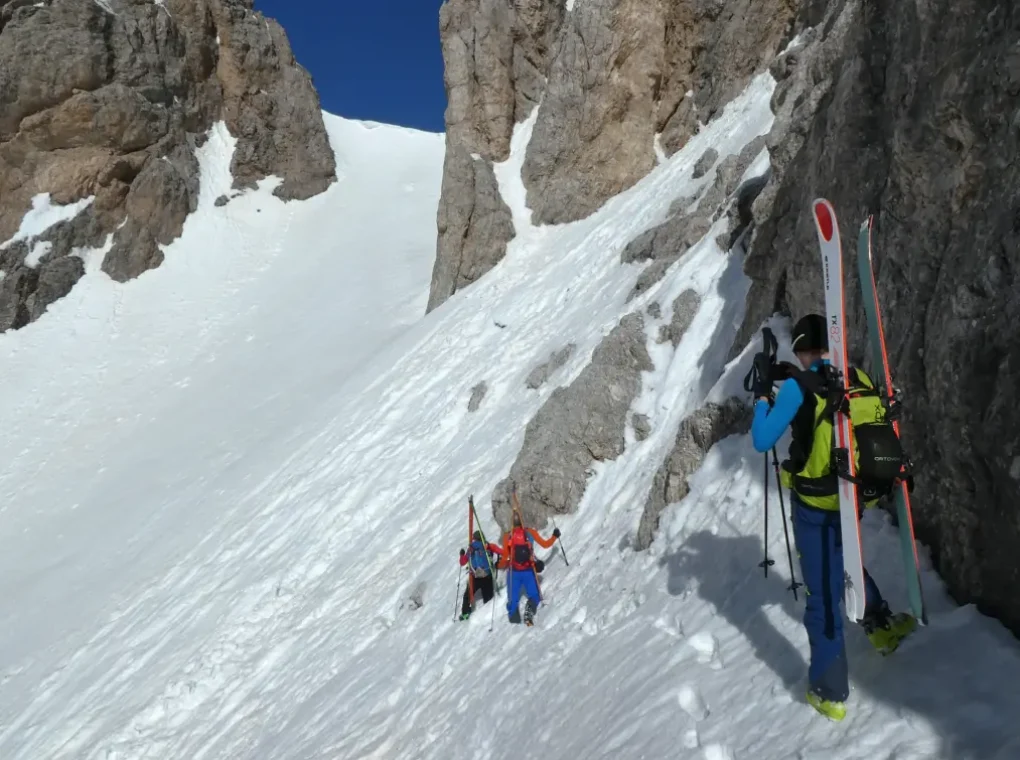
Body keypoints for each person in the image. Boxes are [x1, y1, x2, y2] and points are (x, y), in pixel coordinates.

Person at [749, 314, 916, 722]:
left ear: (804, 350)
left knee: (821, 595)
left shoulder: (794, 389)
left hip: (813, 506)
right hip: (851, 494)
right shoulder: (853, 378)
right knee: (842, 557)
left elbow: (761, 440)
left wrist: (761, 401)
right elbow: (821, 391)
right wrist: (792, 375)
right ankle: (880, 625)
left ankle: (829, 690)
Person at [498, 513, 560, 625]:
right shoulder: (530, 532)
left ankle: (513, 616)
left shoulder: (508, 536)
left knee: (512, 600)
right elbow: (545, 544)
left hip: (513, 573)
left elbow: (505, 557)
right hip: (528, 570)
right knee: (535, 596)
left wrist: (498, 565)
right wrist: (554, 536)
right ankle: (529, 610)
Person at [458, 531, 502, 620]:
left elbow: (462, 562)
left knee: (467, 595)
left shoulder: (471, 549)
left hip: (476, 577)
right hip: (487, 576)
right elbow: (501, 552)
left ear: (474, 538)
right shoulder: (488, 546)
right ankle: (488, 614)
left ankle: (465, 613)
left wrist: (462, 555)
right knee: (488, 598)